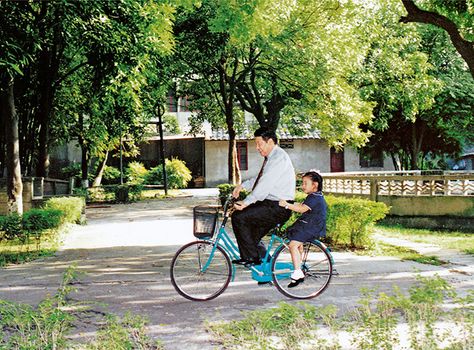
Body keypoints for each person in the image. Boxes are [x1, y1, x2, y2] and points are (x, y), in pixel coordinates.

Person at [232, 127, 295, 268]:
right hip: (272, 205)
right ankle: (267, 267)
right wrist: (242, 186)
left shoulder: (278, 158)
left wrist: (247, 202)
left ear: (270, 142)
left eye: (259, 144)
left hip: (278, 207)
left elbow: (264, 185)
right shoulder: (272, 157)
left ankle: (251, 258)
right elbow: (260, 179)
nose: (257, 148)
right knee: (250, 236)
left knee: (239, 217)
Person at [279, 171, 327, 288]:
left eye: (305, 183)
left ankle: (297, 272)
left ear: (314, 185)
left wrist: (286, 205)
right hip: (308, 224)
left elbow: (302, 209)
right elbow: (301, 205)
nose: (303, 186)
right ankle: (298, 267)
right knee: (297, 244)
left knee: (293, 245)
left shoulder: (315, 197)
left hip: (311, 226)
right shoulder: (315, 196)